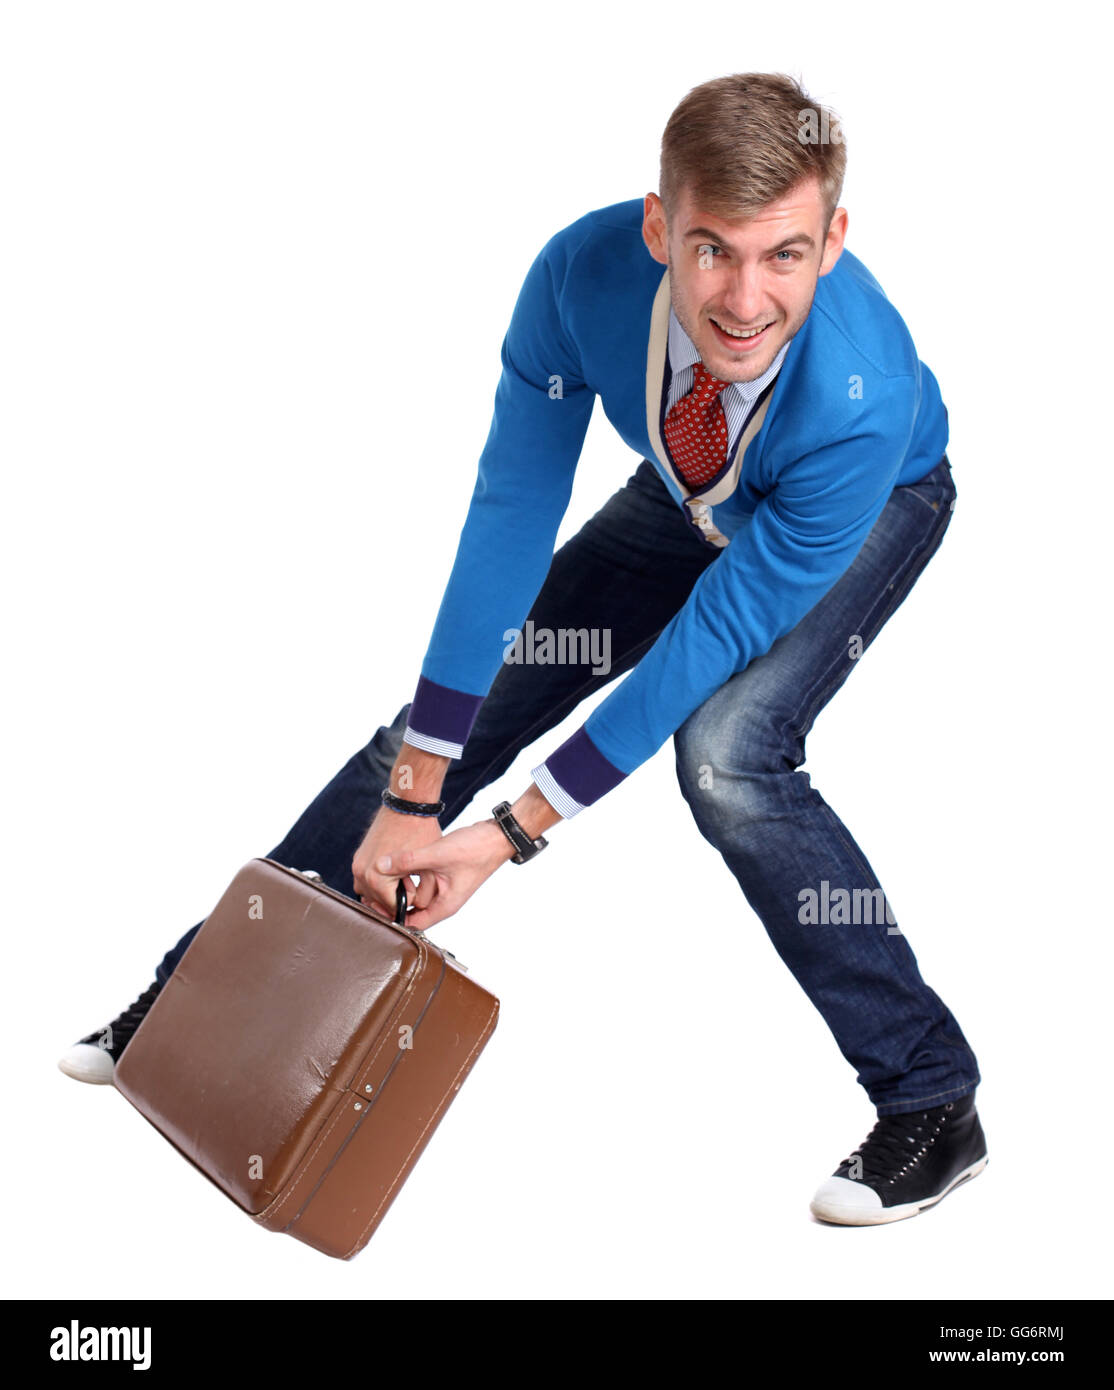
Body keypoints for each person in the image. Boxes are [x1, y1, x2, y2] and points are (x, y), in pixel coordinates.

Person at [59, 71, 987, 1227]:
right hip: (690, 480)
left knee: (728, 756)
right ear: (658, 226)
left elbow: (718, 632)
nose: (746, 300)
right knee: (457, 710)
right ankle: (193, 994)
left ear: (832, 241)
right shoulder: (578, 281)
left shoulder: (862, 395)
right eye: (710, 251)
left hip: (855, 497)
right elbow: (507, 523)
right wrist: (415, 790)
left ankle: (931, 1098)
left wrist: (507, 832)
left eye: (784, 257)